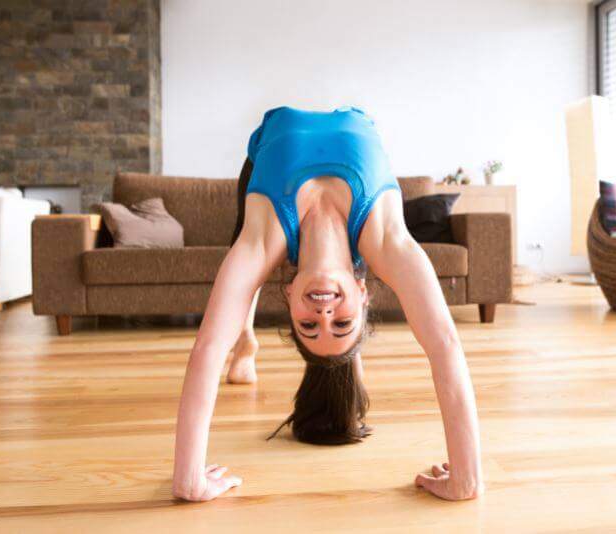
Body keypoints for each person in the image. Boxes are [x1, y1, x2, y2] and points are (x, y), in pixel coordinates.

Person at [172, 105, 484, 502]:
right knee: (246, 286)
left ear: (287, 298)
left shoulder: (262, 239)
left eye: (309, 326)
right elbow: (445, 345)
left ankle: (246, 337)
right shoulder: (387, 240)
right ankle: (268, 342)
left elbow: (207, 347)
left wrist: (188, 480)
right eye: (341, 324)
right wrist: (467, 480)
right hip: (355, 122)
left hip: (265, 156)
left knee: (239, 272)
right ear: (362, 290)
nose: (323, 314)